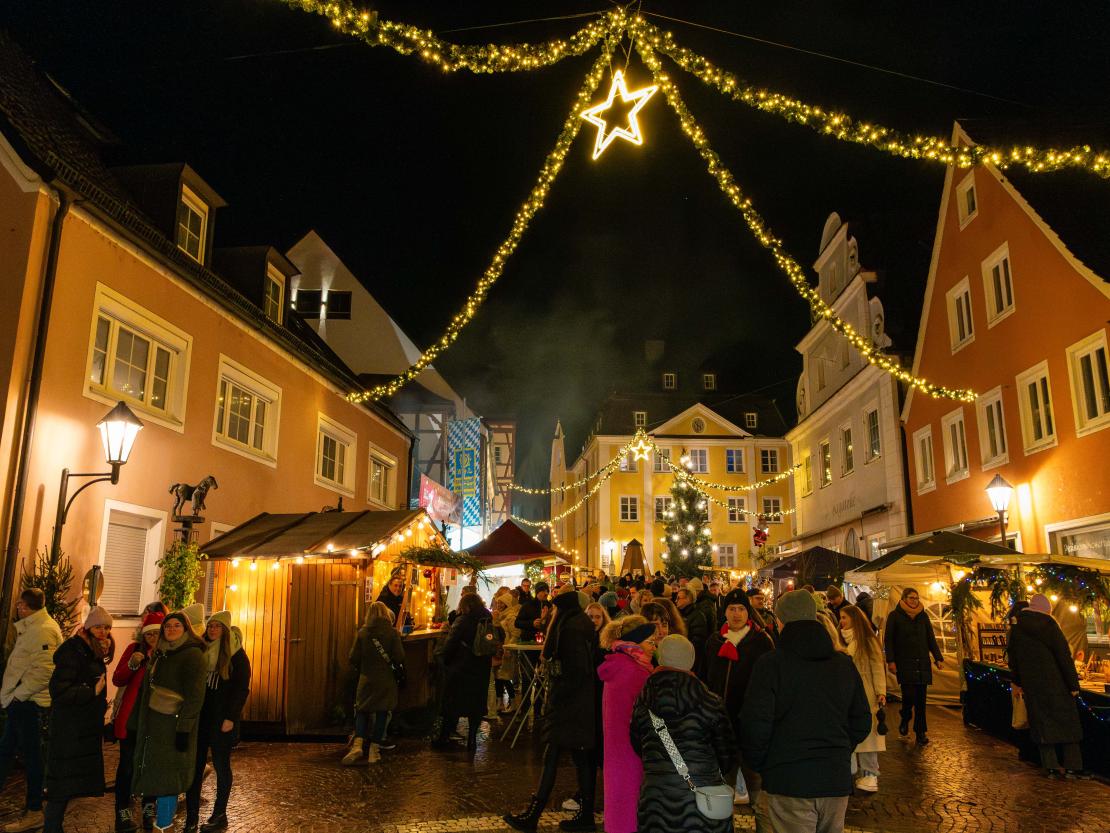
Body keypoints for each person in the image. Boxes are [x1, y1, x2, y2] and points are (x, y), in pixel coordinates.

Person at [740, 590, 871, 833]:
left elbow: (755, 724)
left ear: (780, 621)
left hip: (789, 778)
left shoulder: (771, 665)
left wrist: (763, 764)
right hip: (834, 778)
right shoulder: (842, 664)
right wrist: (839, 748)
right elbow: (862, 721)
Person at [504, 590, 599, 832]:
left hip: (570, 705)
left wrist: (557, 695)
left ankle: (535, 815)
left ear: (561, 608)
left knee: (555, 756)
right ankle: (583, 814)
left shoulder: (570, 628)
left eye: (555, 610)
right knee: (579, 759)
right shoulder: (579, 623)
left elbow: (576, 669)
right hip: (579, 703)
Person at [631, 634, 736, 833]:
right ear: (691, 661)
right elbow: (727, 756)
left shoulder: (643, 701)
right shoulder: (710, 702)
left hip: (655, 800)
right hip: (702, 801)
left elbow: (637, 745)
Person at [131, 610, 208, 833]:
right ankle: (160, 823)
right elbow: (146, 691)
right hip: (154, 726)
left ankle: (164, 826)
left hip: (174, 727)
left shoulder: (193, 655)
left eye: (177, 626)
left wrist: (184, 728)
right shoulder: (160, 653)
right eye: (168, 626)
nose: (171, 629)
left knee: (169, 778)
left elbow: (195, 697)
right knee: (157, 775)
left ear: (186, 629)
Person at [42, 606, 115, 833]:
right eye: (98, 627)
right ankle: (51, 829)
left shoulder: (90, 650)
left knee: (67, 786)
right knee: (61, 787)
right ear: (87, 628)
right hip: (69, 731)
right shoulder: (74, 652)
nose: (103, 632)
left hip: (81, 730)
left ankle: (54, 828)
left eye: (106, 627)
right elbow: (59, 690)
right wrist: (91, 691)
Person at [704, 590, 774, 819]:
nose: (736, 614)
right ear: (724, 612)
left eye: (741, 609)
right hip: (722, 729)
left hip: (751, 729)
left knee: (760, 793)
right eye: (732, 609)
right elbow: (705, 680)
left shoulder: (761, 642)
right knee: (723, 791)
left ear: (748, 612)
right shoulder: (714, 642)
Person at [0, 589, 63, 833]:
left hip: (27, 702)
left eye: (19, 604)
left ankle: (35, 809)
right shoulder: (35, 627)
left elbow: (43, 670)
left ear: (25, 607)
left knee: (31, 756)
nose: (17, 607)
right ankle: (34, 808)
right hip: (22, 700)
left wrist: (18, 696)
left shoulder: (42, 629)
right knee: (7, 751)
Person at [1007, 593, 1088, 779]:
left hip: (1033, 686)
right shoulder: (1050, 625)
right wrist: (1073, 685)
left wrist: (1018, 681)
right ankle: (1073, 767)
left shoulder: (1017, 628)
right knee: (1069, 726)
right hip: (1056, 684)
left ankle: (1051, 767)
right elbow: (1064, 657)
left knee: (1042, 725)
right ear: (1047, 610)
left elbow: (1014, 658)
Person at [185, 610, 251, 832]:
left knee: (222, 766)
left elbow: (241, 689)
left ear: (225, 630)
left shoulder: (236, 655)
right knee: (195, 767)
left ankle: (219, 813)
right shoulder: (201, 649)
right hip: (201, 718)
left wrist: (231, 717)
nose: (212, 630)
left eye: (217, 626)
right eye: (210, 626)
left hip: (222, 719)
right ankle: (191, 817)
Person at [597, 618, 656, 833]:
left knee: (618, 803)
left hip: (616, 750)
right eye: (650, 642)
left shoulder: (618, 665)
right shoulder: (637, 672)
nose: (653, 647)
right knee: (631, 806)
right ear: (635, 643)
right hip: (632, 750)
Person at [112, 611, 163, 833]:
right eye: (149, 634)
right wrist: (132, 665)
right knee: (126, 768)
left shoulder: (167, 654)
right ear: (144, 635)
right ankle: (123, 813)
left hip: (156, 721)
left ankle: (149, 811)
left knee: (151, 767)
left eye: (157, 633)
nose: (153, 637)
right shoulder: (134, 650)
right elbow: (118, 678)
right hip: (132, 719)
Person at [344, 602, 403, 766]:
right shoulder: (392, 633)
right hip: (385, 680)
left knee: (362, 710)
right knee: (382, 712)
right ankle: (374, 750)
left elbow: (353, 657)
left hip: (366, 678)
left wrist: (364, 667)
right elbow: (399, 657)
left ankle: (357, 746)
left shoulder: (363, 633)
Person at [433, 594, 493, 752]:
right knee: (476, 706)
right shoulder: (487, 619)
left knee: (453, 704)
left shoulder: (462, 620)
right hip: (481, 668)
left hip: (461, 668)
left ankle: (443, 737)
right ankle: (472, 740)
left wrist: (444, 660)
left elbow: (450, 644)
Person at [883, 587, 942, 744]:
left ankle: (920, 731)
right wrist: (891, 660)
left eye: (916, 598)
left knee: (921, 701)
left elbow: (930, 637)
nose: (914, 601)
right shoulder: (895, 616)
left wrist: (938, 657)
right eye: (911, 598)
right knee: (908, 697)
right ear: (904, 598)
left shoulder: (923, 616)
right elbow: (888, 640)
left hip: (922, 663)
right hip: (905, 663)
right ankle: (905, 717)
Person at [839, 604, 886, 793]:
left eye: (844, 617)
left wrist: (880, 691)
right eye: (840, 618)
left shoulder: (868, 640)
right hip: (847, 693)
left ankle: (869, 773)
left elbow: (877, 667)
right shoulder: (840, 640)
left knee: (868, 735)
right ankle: (850, 771)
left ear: (854, 619)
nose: (841, 621)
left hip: (866, 691)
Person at [675, 588, 709, 674]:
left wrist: (685, 653)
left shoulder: (697, 616)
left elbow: (698, 640)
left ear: (687, 599)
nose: (676, 601)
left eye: (679, 598)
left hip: (691, 659)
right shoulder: (679, 614)